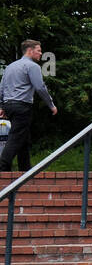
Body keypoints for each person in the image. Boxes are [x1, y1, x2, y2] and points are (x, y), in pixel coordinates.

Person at [0, 40, 58, 173]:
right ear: (30, 51)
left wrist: (2, 106)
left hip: (9, 105)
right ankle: (3, 167)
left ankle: (25, 170)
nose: (41, 53)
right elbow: (40, 87)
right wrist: (51, 105)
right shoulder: (32, 66)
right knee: (16, 136)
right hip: (22, 106)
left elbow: (1, 87)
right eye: (38, 50)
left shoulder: (10, 66)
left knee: (24, 138)